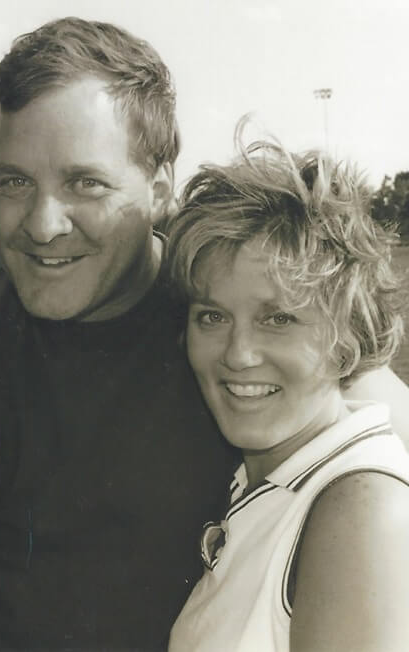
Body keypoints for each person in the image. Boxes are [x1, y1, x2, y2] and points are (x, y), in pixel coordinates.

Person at [0, 17, 409, 650]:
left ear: (160, 188)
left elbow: (367, 421)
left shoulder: (219, 328)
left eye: (87, 183)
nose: (44, 223)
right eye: (16, 182)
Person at [167, 130, 409, 651]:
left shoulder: (360, 509)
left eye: (278, 318)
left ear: (347, 337)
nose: (238, 353)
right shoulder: (278, 478)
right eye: (212, 316)